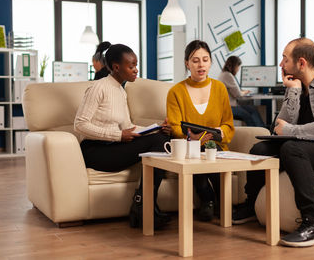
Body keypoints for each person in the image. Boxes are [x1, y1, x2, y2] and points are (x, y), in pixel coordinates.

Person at [233, 38, 314, 247]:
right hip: (306, 146)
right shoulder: (297, 87)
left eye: (285, 59)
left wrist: (290, 130)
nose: (281, 64)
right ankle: (251, 205)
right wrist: (292, 91)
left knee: (291, 148)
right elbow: (279, 127)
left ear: (301, 63)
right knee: (260, 149)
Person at [74, 44, 172, 229]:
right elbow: (79, 124)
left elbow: (128, 127)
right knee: (159, 142)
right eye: (132, 66)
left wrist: (157, 128)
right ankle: (144, 206)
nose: (136, 70)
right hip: (95, 151)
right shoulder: (98, 88)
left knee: (162, 139)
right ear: (116, 67)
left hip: (112, 146)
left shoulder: (120, 90)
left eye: (136, 65)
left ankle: (144, 205)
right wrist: (118, 135)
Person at [166, 40, 235, 221]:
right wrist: (192, 139)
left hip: (216, 146)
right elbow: (174, 126)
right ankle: (209, 199)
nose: (201, 64)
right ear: (187, 64)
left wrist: (219, 131)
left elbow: (229, 124)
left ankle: (215, 200)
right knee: (197, 150)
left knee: (209, 149)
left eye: (205, 59)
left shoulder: (220, 88)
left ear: (211, 62)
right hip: (190, 148)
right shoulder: (176, 91)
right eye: (195, 60)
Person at [218, 56, 265, 127]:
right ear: (235, 66)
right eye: (238, 67)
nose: (238, 69)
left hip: (228, 106)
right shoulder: (228, 75)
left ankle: (261, 130)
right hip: (229, 108)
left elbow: (233, 91)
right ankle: (256, 133)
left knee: (252, 109)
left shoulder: (223, 74)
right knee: (248, 115)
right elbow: (238, 95)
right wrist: (245, 92)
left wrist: (241, 91)